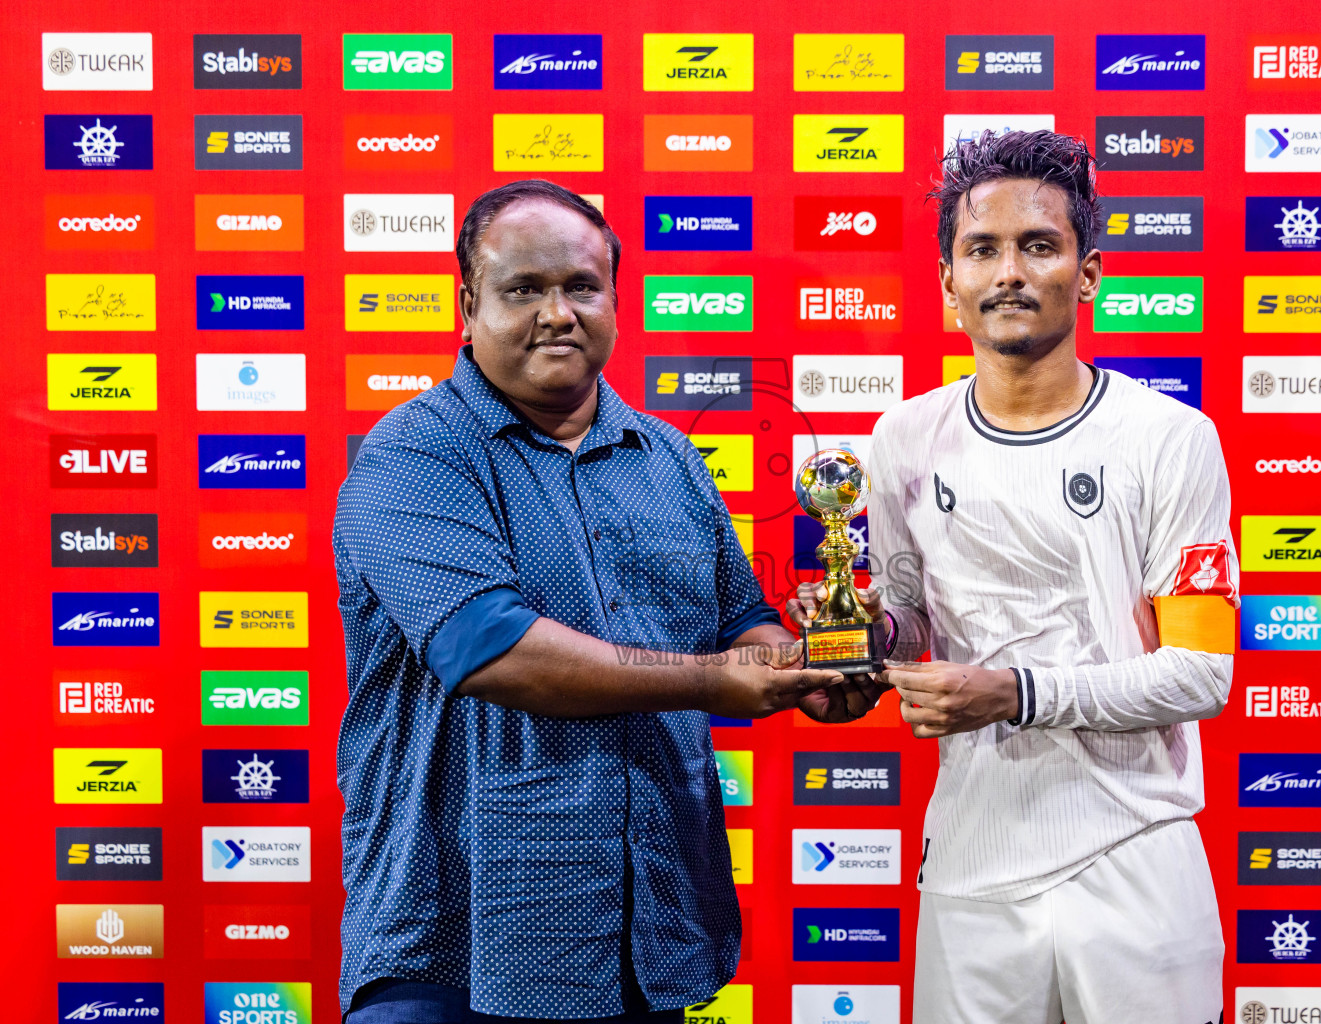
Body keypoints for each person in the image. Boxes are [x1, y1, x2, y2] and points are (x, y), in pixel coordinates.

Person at [334, 179, 874, 1024]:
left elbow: (741, 625)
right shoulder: (414, 453)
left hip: (645, 933)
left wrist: (811, 669)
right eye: (524, 290)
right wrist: (710, 681)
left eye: (581, 287)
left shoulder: (666, 456)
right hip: (457, 946)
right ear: (467, 305)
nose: (558, 313)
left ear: (617, 299)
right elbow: (494, 651)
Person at [789, 130, 1238, 1024]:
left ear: (1090, 271)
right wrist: (866, 635)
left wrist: (1014, 693)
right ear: (948, 282)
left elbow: (1200, 672)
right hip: (972, 861)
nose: (1009, 273)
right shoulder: (903, 439)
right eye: (981, 249)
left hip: (1135, 854)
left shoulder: (1169, 438)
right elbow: (912, 621)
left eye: (1039, 245)